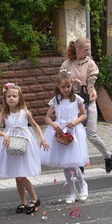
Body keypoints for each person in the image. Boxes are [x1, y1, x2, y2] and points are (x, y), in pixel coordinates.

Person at [0, 83, 49, 214]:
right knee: (17, 176)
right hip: (10, 145)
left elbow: (35, 125)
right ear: (5, 99)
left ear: (19, 98)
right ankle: (23, 201)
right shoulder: (4, 114)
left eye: (14, 96)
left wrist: (42, 138)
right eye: (9, 96)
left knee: (21, 176)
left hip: (24, 145)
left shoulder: (25, 112)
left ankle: (34, 198)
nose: (11, 98)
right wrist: (4, 134)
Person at [60, 37, 112, 172]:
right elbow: (61, 81)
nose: (88, 51)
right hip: (72, 104)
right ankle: (80, 164)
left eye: (88, 49)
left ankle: (108, 155)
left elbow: (91, 82)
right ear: (77, 49)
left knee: (91, 135)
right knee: (77, 135)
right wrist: (72, 81)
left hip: (88, 101)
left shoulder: (90, 64)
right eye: (85, 49)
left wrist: (87, 87)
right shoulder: (67, 64)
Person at [41, 71, 90, 204]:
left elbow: (84, 115)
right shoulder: (56, 100)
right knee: (65, 165)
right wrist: (53, 125)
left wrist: (75, 121)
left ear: (72, 85)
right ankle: (72, 191)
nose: (66, 89)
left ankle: (83, 185)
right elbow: (46, 118)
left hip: (73, 132)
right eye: (63, 87)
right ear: (58, 86)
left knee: (73, 164)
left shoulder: (77, 99)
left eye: (68, 86)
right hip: (60, 132)